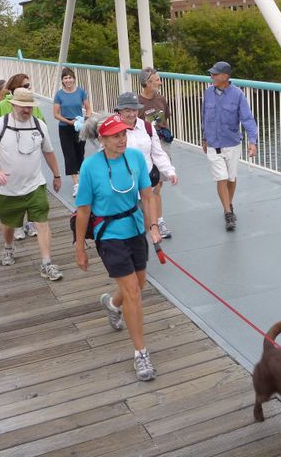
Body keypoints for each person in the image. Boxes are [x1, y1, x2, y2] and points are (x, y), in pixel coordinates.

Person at [74, 114, 162, 381]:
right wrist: (80, 247)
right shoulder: (90, 167)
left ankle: (112, 304)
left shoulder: (135, 158)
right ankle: (141, 354)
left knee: (140, 283)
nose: (122, 139)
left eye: (123, 134)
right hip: (108, 233)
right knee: (133, 292)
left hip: (135, 228)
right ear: (102, 139)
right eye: (115, 136)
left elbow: (147, 196)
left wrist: (154, 226)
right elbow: (83, 210)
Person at [0, 88, 64, 280]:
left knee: (42, 223)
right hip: (8, 189)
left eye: (30, 107)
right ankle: (9, 247)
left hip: (35, 185)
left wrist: (56, 176)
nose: (27, 110)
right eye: (23, 107)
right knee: (8, 225)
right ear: (13, 105)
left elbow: (48, 152)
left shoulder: (39, 125)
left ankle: (46, 263)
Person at [201, 61, 258, 231]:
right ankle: (227, 212)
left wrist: (252, 141)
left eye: (215, 74)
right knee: (222, 178)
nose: (211, 77)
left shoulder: (238, 95)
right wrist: (204, 138)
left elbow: (247, 119)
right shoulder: (208, 93)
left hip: (232, 143)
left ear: (225, 77)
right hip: (213, 143)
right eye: (211, 74)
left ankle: (228, 204)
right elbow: (204, 116)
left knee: (231, 178)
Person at [116, 91, 178, 238]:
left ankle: (141, 244)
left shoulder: (147, 127)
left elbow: (157, 153)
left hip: (146, 182)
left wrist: (170, 171)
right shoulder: (113, 129)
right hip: (124, 184)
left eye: (134, 110)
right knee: (127, 224)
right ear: (119, 111)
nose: (132, 114)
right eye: (127, 110)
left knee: (144, 223)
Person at [0, 73, 46, 240]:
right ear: (15, 88)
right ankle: (18, 225)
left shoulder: (33, 106)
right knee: (14, 193)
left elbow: (42, 125)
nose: (28, 88)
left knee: (32, 189)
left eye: (28, 86)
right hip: (9, 156)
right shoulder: (3, 105)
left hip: (29, 153)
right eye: (25, 86)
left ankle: (30, 223)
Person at [138, 67, 175, 237]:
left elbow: (166, 117)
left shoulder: (161, 99)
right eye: (157, 79)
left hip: (162, 143)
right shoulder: (137, 103)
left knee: (158, 186)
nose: (160, 82)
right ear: (147, 82)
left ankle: (159, 221)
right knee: (148, 187)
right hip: (144, 145)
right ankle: (149, 220)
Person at [53, 67, 92, 198]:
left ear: (74, 78)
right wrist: (70, 122)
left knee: (80, 152)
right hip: (65, 126)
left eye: (70, 77)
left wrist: (86, 120)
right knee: (69, 155)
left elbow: (88, 108)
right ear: (62, 80)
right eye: (65, 78)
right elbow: (56, 114)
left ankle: (81, 179)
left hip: (80, 125)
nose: (68, 80)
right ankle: (76, 184)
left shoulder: (81, 91)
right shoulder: (59, 94)